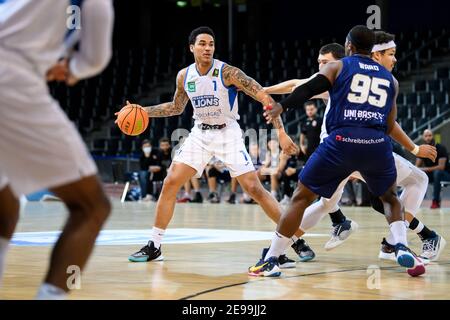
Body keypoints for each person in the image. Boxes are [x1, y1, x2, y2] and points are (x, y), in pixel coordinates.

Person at [250, 25, 425, 278]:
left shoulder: (339, 66)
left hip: (340, 142)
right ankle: (399, 244)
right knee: (390, 197)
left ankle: (272, 259)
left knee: (301, 198)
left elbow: (307, 89)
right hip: (376, 144)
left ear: (349, 46)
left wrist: (282, 107)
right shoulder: (391, 80)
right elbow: (389, 124)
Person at [124, 26, 306, 268]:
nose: (207, 48)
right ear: (192, 48)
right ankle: (154, 245)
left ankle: (294, 239)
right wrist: (142, 111)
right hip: (200, 133)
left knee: (254, 188)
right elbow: (176, 108)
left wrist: (281, 132)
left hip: (227, 132)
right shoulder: (184, 76)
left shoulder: (228, 72)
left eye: (211, 44)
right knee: (170, 182)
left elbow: (265, 97)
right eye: (202, 43)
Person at [0, 0, 113, 299]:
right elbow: (95, 57)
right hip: (10, 80)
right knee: (92, 207)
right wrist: (73, 68)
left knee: (5, 205)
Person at [416, 129, 450, 209]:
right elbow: (417, 166)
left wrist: (424, 169)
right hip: (432, 175)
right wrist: (420, 170)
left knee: (437, 172)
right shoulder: (422, 150)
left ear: (433, 136)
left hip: (445, 174)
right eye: (426, 136)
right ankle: (416, 201)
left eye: (430, 135)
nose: (428, 138)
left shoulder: (441, 148)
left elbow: (441, 167)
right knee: (417, 173)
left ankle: (435, 201)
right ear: (423, 138)